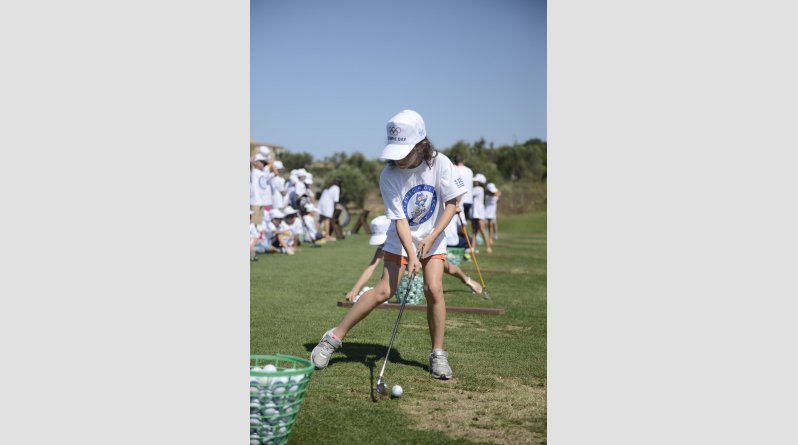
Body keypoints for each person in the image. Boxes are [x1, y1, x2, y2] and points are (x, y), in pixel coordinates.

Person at [311, 109, 467, 380]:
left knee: (434, 288)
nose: (399, 158)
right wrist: (411, 253)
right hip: (401, 238)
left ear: (421, 145)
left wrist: (430, 239)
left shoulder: (440, 163)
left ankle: (438, 354)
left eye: (405, 151)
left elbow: (453, 204)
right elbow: (400, 220)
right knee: (384, 291)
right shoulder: (389, 175)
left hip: (435, 234)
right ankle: (332, 338)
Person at [345, 215, 482, 302]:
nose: (382, 244)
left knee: (447, 267)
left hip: (419, 247)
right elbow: (371, 267)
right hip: (404, 259)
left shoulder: (405, 233)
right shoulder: (386, 245)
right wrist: (355, 290)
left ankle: (467, 280)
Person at [452, 153, 474, 242]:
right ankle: (465, 241)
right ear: (463, 161)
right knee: (462, 222)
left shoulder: (454, 169)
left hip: (460, 199)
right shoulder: (469, 170)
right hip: (469, 199)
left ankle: (467, 241)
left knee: (460, 223)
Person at [470, 173, 493, 254]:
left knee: (482, 229)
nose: (475, 181)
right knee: (474, 230)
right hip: (474, 211)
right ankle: (473, 247)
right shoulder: (475, 188)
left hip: (479, 211)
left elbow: (469, 194)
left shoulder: (479, 189)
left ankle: (488, 246)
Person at [317, 177, 342, 241]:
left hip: (321, 203)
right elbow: (336, 200)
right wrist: (335, 207)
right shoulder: (336, 188)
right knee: (327, 220)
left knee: (320, 219)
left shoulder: (329, 187)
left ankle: (314, 234)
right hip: (327, 204)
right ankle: (327, 236)